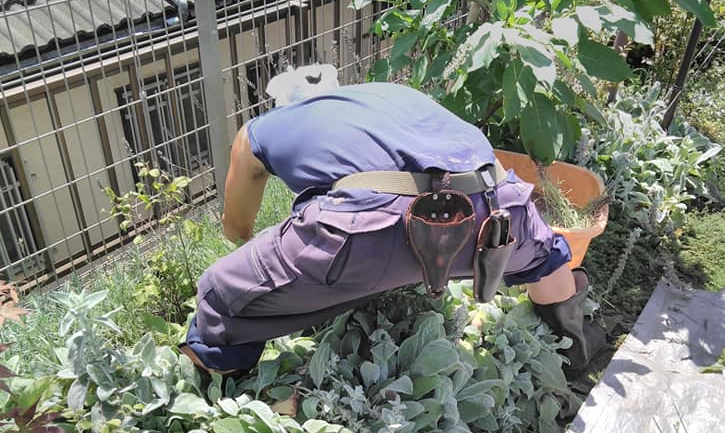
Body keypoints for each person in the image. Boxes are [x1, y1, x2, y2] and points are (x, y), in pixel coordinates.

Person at [179, 67, 602, 378]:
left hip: (370, 234)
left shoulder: (262, 130)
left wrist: (263, 259)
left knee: (218, 293)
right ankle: (574, 347)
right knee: (543, 255)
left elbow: (236, 229)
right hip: (497, 208)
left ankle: (224, 383)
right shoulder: (387, 94)